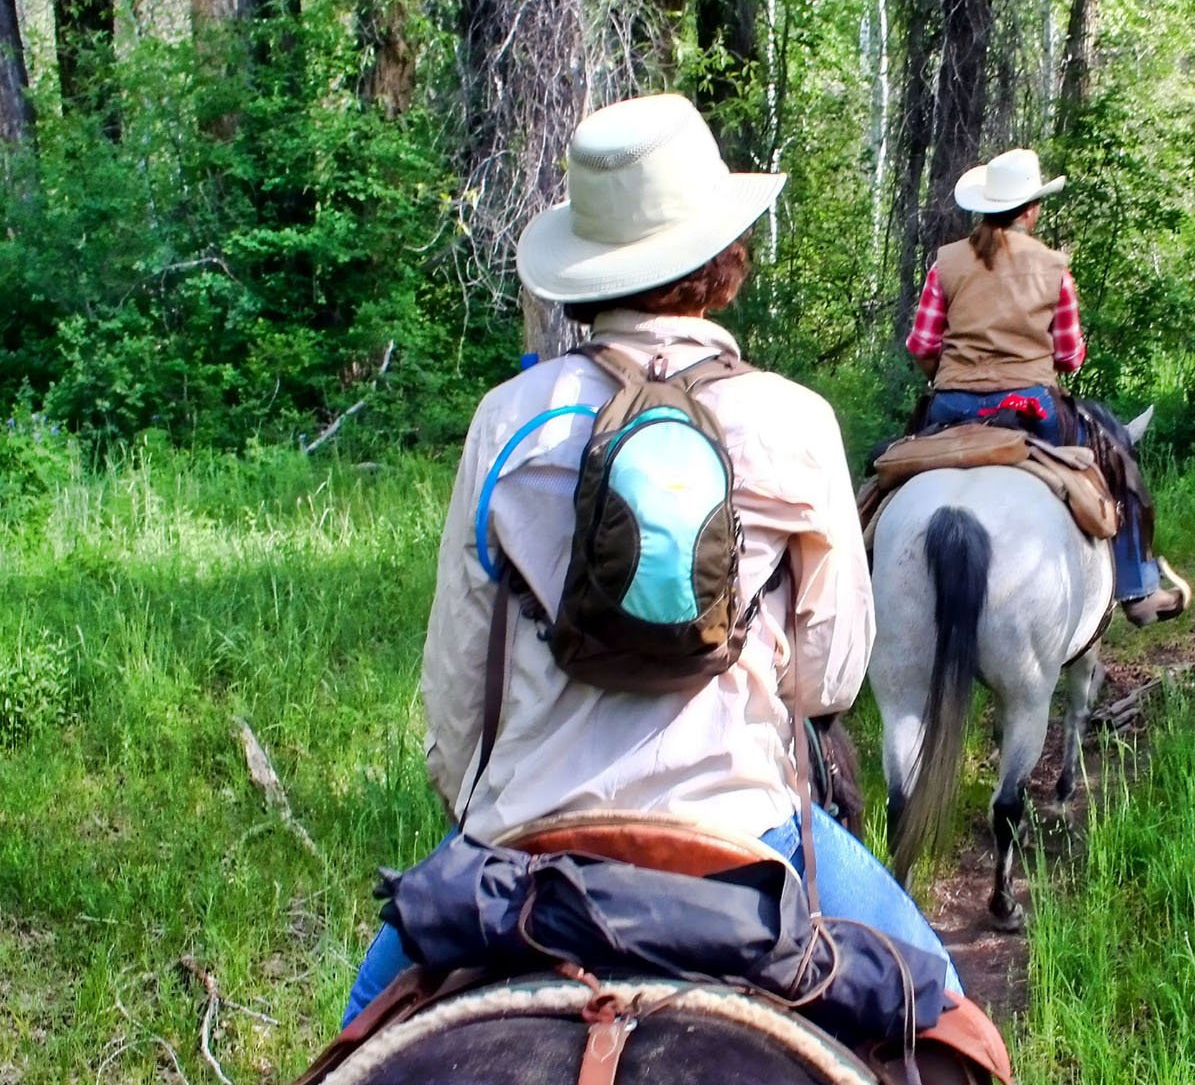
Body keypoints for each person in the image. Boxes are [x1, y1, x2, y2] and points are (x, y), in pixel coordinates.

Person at [344, 93, 960, 1024]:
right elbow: (830, 681)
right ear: (725, 268)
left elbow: (460, 684)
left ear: (586, 274)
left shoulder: (506, 422)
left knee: (356, 1035)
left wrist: (490, 806)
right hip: (741, 834)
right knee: (949, 1017)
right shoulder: (795, 420)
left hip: (528, 838)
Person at [905, 146, 1190, 626]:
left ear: (984, 208)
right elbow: (1070, 356)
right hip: (1033, 407)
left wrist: (950, 372)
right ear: (1031, 210)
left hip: (951, 406)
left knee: (887, 473)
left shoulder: (946, 263)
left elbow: (921, 344)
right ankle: (1138, 588)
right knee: (1116, 464)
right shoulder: (1054, 266)